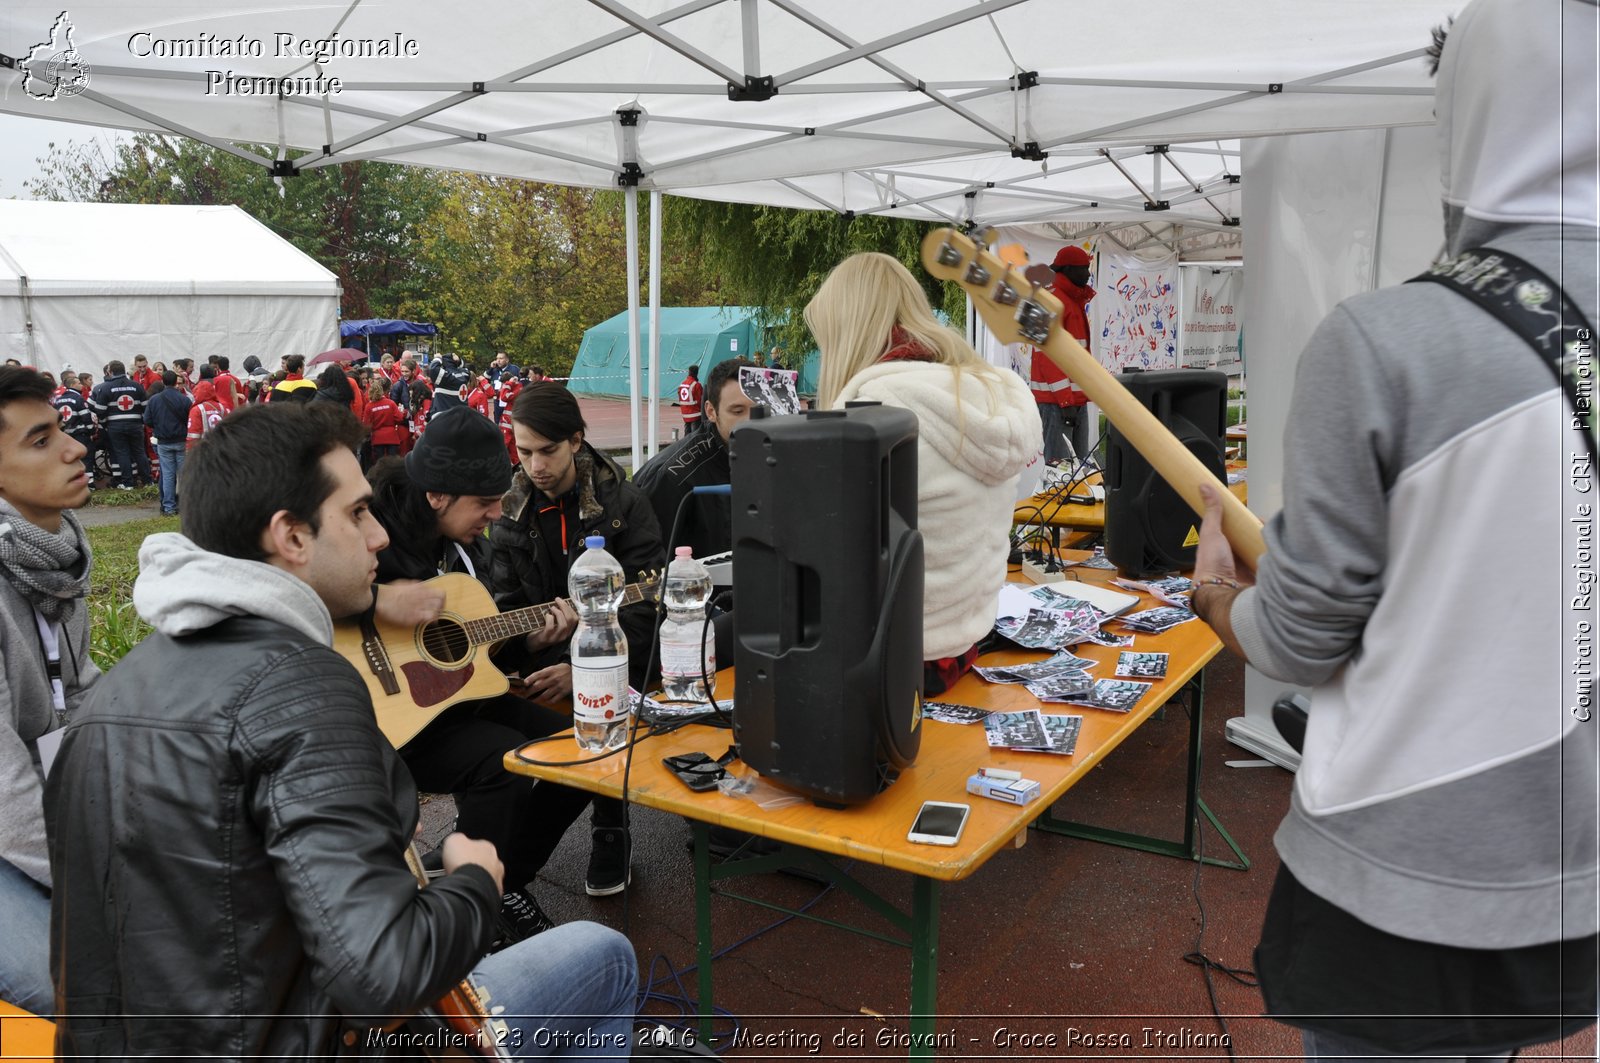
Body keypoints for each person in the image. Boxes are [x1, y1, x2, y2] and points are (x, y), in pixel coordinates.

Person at [1189, 2, 1597, 1059]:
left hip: (1401, 865)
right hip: (1573, 857)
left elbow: (1304, 634)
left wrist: (1223, 604)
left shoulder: (1386, 338)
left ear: (1470, 112)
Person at [46, 400, 638, 1056]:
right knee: (604, 955)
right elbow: (386, 972)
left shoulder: (111, 697)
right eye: (356, 513)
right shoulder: (303, 687)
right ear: (291, 536)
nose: (379, 536)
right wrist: (472, 879)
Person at [368, 407, 601, 939]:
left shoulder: (465, 548)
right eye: (485, 502)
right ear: (437, 495)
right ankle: (465, 907)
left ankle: (504, 882)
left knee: (591, 748)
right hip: (392, 719)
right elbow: (300, 587)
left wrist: (530, 641)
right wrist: (376, 598)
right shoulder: (369, 532)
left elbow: (472, 652)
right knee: (499, 764)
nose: (497, 513)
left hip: (455, 699)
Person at [808, 252, 1040, 696]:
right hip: (964, 644)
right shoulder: (986, 391)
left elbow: (831, 552)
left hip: (888, 663)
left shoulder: (870, 410)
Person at [488, 383, 667, 896]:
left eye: (547, 450)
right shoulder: (508, 511)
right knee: (489, 721)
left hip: (620, 658)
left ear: (576, 440)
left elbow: (647, 606)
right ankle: (487, 845)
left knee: (596, 705)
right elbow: (501, 607)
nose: (534, 465)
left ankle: (609, 829)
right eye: (523, 452)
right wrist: (524, 648)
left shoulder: (625, 504)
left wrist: (580, 665)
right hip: (539, 663)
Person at [0, 367, 98, 1019]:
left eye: (60, 427)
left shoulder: (52, 556)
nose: (76, 447)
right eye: (41, 440)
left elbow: (82, 693)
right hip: (12, 817)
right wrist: (89, 884)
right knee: (87, 990)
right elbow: (4, 782)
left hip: (45, 796)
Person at [634, 357, 753, 560]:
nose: (751, 420)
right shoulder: (672, 478)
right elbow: (646, 564)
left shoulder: (776, 459)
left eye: (760, 409)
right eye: (738, 411)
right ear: (711, 411)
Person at [1029, 245, 1094, 464]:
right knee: (1061, 473)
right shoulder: (1051, 300)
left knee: (1078, 470)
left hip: (1072, 401)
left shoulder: (1071, 300)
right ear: (1067, 269)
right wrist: (1066, 401)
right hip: (1057, 403)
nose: (1088, 273)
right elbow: (1047, 356)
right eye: (1084, 268)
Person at [88, 359, 150, 490]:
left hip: (115, 427)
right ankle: (148, 481)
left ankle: (128, 483)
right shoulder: (137, 386)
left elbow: (99, 410)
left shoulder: (105, 388)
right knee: (139, 452)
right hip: (135, 425)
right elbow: (146, 407)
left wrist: (105, 424)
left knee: (122, 454)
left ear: (110, 372)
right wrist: (140, 421)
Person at [142, 370, 192, 517]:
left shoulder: (154, 400)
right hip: (181, 440)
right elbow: (189, 419)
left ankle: (169, 507)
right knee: (184, 474)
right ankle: (185, 505)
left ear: (163, 381)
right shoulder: (184, 399)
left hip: (163, 442)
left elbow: (147, 420)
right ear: (176, 382)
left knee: (168, 475)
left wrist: (158, 427)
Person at [51, 371, 97, 490]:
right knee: (86, 457)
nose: (81, 385)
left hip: (65, 435)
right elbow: (86, 417)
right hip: (80, 434)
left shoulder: (58, 400)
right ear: (72, 385)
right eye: (78, 383)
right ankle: (89, 484)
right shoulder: (78, 398)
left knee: (70, 459)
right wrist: (92, 431)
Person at [363, 381, 406, 465]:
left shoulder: (369, 406)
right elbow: (399, 418)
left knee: (380, 463)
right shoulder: (390, 403)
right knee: (393, 462)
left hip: (377, 437)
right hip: (392, 436)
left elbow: (366, 424)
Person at [185, 376, 226, 450]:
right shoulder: (222, 407)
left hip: (204, 450)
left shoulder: (196, 410)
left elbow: (193, 436)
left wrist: (189, 452)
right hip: (221, 448)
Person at [675, 365, 704, 435]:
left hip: (685, 414)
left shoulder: (682, 384)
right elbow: (700, 400)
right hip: (695, 414)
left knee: (687, 435)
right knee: (695, 436)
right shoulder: (697, 385)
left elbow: (680, 397)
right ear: (697, 373)